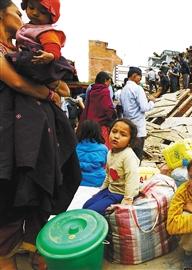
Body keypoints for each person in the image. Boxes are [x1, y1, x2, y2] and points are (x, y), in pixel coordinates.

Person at [0, 1, 81, 269]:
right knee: (9, 211)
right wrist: (49, 93)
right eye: (18, 11)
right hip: (10, 146)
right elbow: (17, 82)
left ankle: (36, 248)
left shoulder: (22, 49)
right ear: (2, 15)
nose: (25, 16)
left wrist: (55, 82)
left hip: (36, 144)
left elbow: (65, 89)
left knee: (38, 196)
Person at [5, 0, 75, 87]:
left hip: (38, 59)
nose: (35, 13)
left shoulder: (45, 31)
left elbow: (52, 44)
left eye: (43, 12)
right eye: (31, 7)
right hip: (27, 57)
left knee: (12, 60)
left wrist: (51, 55)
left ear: (51, 17)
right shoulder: (27, 27)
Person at [83, 119, 140, 215]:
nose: (116, 136)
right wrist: (101, 191)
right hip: (109, 190)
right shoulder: (110, 152)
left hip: (120, 194)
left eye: (123, 134)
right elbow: (108, 175)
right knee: (85, 206)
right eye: (114, 131)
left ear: (130, 140)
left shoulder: (128, 156)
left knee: (91, 213)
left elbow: (132, 178)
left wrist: (127, 200)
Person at [120, 67, 155, 161]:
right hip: (138, 128)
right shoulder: (137, 88)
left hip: (127, 126)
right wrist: (152, 102)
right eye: (140, 77)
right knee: (137, 158)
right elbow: (144, 107)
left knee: (128, 157)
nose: (140, 79)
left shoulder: (124, 90)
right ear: (134, 76)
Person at [80, 71, 116, 149]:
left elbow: (87, 105)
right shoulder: (105, 90)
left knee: (90, 145)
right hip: (101, 124)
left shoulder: (92, 90)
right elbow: (108, 108)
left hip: (90, 123)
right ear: (105, 81)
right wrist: (113, 118)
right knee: (102, 146)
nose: (109, 84)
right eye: (108, 82)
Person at [76, 120, 108, 187]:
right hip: (98, 181)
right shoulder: (103, 148)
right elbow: (106, 164)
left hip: (77, 180)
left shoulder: (74, 147)